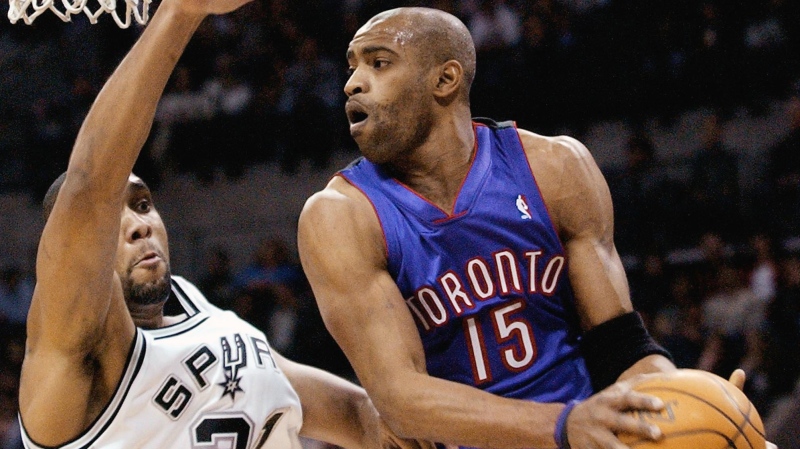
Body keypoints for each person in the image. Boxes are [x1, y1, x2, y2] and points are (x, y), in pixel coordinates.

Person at [297, 7, 759, 449]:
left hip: (584, 433)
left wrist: (692, 405)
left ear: (445, 79)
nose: (353, 83)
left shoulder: (555, 168)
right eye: (352, 67)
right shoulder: (340, 216)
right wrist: (562, 425)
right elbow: (401, 400)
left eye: (379, 63)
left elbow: (620, 347)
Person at [16, 1, 431, 448]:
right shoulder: (71, 357)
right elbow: (90, 187)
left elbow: (358, 417)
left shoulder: (209, 319)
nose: (138, 225)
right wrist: (179, 14)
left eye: (141, 204)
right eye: (110, 221)